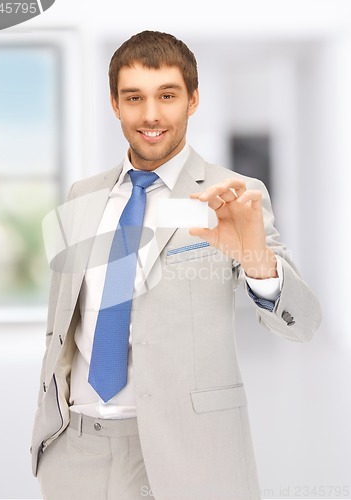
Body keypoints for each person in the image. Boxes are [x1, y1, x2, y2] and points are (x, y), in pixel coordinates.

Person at [31, 30, 322, 500]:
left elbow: (303, 325)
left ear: (193, 100)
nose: (150, 115)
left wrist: (254, 258)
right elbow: (66, 321)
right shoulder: (82, 196)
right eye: (134, 98)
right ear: (115, 104)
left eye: (167, 95)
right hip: (76, 448)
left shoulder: (234, 193)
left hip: (193, 451)